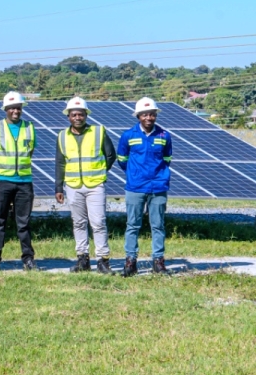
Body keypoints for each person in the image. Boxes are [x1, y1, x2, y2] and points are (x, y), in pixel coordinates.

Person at [55, 97, 117, 275]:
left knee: (98, 222)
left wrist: (100, 172)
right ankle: (82, 259)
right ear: (68, 116)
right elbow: (60, 163)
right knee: (79, 223)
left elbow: (110, 155)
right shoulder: (62, 136)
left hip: (95, 185)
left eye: (80, 114)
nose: (77, 117)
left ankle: (103, 261)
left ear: (86, 115)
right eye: (74, 114)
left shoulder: (98, 132)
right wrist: (58, 188)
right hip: (73, 186)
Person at [118, 97, 173, 277]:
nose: (149, 117)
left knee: (158, 225)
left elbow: (167, 159)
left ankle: (158, 261)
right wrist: (136, 174)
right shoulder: (128, 135)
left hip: (158, 186)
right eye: (145, 114)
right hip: (135, 187)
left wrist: (158, 175)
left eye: (152, 114)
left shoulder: (164, 136)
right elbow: (122, 160)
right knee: (132, 224)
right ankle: (131, 261)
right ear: (138, 116)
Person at [0, 91, 36, 273]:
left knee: (24, 223)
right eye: (12, 108)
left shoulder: (29, 127)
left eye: (18, 108)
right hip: (1, 181)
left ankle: (28, 259)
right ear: (6, 109)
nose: (15, 111)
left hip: (24, 181)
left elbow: (29, 152)